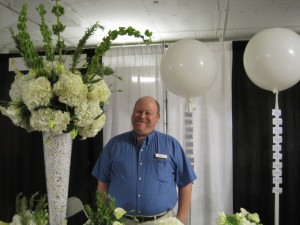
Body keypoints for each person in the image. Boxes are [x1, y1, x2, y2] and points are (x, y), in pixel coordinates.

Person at [92, 96, 197, 225]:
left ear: (158, 117)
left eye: (148, 113)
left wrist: (180, 220)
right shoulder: (114, 145)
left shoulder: (172, 145)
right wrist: (104, 217)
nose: (142, 116)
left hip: (162, 222)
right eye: (138, 111)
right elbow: (103, 183)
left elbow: (186, 183)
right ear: (132, 114)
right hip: (121, 222)